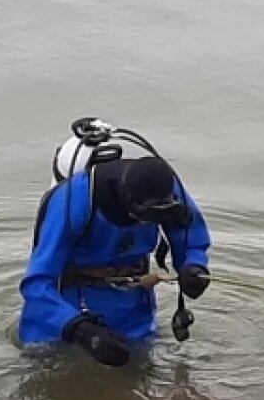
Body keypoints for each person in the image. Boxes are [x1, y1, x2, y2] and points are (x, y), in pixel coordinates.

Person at [17, 118, 212, 367]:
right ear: (128, 202)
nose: (145, 225)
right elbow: (37, 282)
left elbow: (193, 241)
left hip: (133, 308)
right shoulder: (74, 202)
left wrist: (194, 268)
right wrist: (81, 330)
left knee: (140, 379)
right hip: (65, 312)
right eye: (143, 218)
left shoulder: (166, 189)